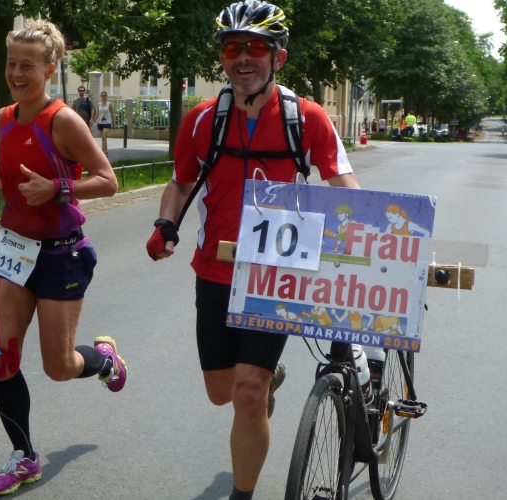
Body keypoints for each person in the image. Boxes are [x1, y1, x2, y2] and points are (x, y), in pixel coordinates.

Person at [145, 1, 360, 498]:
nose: (243, 57)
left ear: (278, 57)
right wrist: (165, 223)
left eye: (256, 47)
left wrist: (372, 238)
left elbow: (343, 184)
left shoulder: (306, 118)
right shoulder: (202, 120)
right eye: (232, 48)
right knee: (221, 391)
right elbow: (181, 183)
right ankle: (266, 383)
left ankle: (243, 490)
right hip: (215, 270)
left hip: (277, 273)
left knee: (246, 392)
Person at [0, 20, 127, 496]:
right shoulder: (5, 118)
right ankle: (24, 456)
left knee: (59, 366)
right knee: (2, 358)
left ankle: (104, 361)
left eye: (27, 65)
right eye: (11, 63)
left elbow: (109, 181)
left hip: (61, 255)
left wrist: (58, 188)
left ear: (50, 68)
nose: (16, 73)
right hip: (14, 251)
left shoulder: (63, 121)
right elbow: (9, 176)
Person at [96, 91, 115, 156]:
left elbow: (112, 114)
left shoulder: (109, 104)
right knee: (103, 138)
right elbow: (97, 114)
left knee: (103, 137)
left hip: (107, 122)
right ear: (100, 96)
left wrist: (114, 124)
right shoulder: (99, 104)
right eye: (102, 95)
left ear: (106, 96)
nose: (103, 97)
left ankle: (103, 152)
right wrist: (92, 120)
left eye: (104, 95)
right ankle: (105, 151)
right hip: (100, 122)